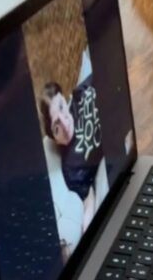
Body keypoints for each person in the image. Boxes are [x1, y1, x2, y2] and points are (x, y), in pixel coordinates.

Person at [40, 80, 103, 233]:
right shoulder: (71, 169)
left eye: (61, 107)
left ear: (64, 97)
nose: (64, 123)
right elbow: (89, 198)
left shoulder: (79, 93)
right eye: (57, 127)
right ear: (54, 138)